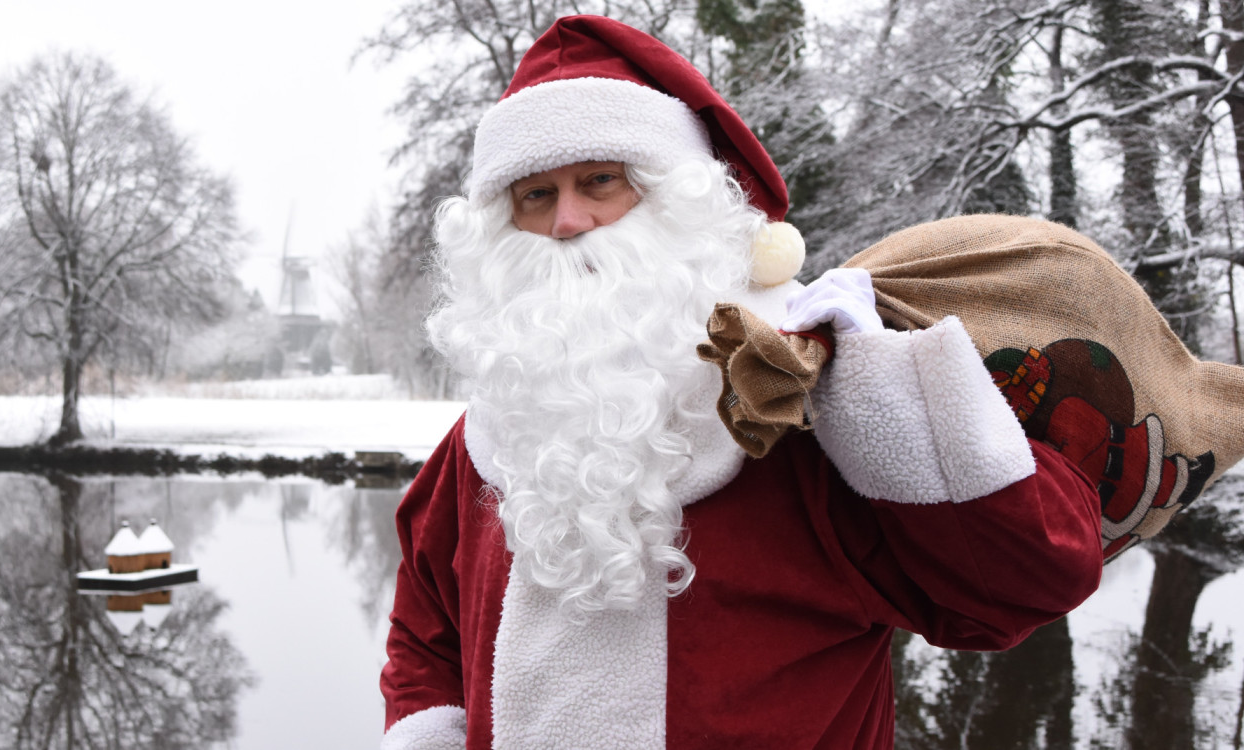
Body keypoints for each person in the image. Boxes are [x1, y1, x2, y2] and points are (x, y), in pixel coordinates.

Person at [380, 15, 1102, 750]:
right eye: (535, 195)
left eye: (600, 181)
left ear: (673, 197)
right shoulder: (494, 430)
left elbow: (1023, 584)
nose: (568, 221)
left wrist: (882, 388)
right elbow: (425, 634)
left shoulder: (799, 395)